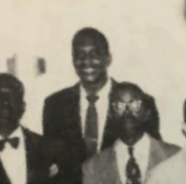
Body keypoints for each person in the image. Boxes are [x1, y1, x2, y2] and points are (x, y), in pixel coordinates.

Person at [43, 27, 161, 169]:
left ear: (108, 58)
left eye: (94, 54)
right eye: (79, 55)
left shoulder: (141, 102)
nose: (86, 61)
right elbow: (52, 161)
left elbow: (153, 159)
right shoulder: (55, 105)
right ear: (73, 60)